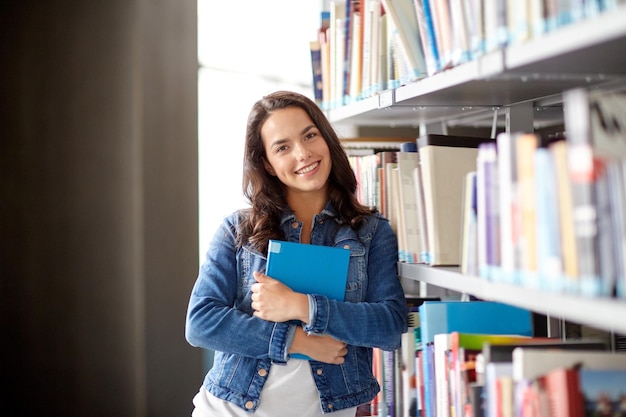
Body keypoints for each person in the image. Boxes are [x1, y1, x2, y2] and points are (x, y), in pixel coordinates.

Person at [185, 90, 408, 416]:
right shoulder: (238, 229)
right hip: (230, 408)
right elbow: (201, 323)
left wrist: (303, 306)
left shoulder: (371, 231)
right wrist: (293, 340)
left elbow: (389, 325)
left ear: (326, 139)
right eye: (283, 147)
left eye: (310, 136)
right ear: (268, 164)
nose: (303, 153)